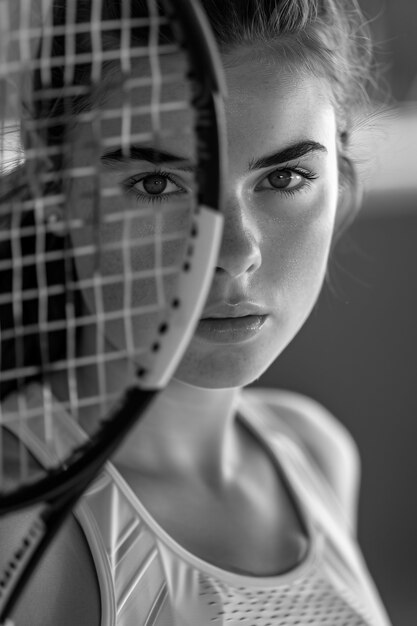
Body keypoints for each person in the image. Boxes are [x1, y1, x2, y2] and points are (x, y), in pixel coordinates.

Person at [0, 0, 392, 624]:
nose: (235, 254)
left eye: (286, 177)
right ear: (54, 190)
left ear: (338, 172)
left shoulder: (313, 452)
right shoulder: (16, 515)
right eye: (156, 185)